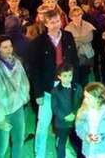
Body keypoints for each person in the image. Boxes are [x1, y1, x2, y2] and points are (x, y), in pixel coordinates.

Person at [27, 8, 79, 158]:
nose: (56, 24)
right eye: (51, 22)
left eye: (57, 21)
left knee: (65, 121)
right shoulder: (38, 43)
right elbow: (35, 70)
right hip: (47, 88)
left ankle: (63, 148)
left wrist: (74, 84)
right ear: (46, 24)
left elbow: (74, 61)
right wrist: (38, 93)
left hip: (66, 85)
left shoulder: (68, 37)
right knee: (43, 124)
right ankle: (40, 153)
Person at [0, 35, 30, 158]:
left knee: (19, 142)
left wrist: (22, 98)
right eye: (5, 47)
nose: (9, 49)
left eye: (10, 46)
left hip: (17, 108)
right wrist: (0, 118)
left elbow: (24, 82)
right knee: (2, 148)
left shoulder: (17, 63)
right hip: (1, 112)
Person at [75, 82, 105, 158]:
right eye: (85, 97)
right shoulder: (83, 110)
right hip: (88, 149)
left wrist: (102, 137)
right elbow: (78, 128)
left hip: (104, 149)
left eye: (88, 98)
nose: (85, 100)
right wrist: (85, 136)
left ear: (98, 98)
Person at [51, 64, 83, 158]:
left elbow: (81, 103)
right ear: (59, 77)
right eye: (65, 76)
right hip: (61, 123)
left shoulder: (77, 87)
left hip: (76, 121)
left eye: (70, 75)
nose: (68, 78)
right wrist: (65, 117)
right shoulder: (55, 91)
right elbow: (55, 107)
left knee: (79, 144)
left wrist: (74, 114)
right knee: (61, 145)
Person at [64, 6, 96, 87]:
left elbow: (89, 38)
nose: (77, 17)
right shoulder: (67, 28)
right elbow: (70, 43)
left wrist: (76, 39)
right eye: (74, 15)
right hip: (75, 56)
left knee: (86, 78)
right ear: (71, 17)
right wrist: (81, 39)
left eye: (79, 14)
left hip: (87, 56)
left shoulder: (87, 25)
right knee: (77, 79)